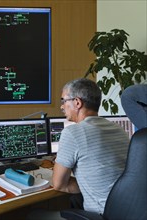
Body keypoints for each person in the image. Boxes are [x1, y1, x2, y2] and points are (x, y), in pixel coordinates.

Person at [52, 78, 130, 214]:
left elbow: (58, 185)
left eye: (64, 101)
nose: (61, 106)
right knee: (74, 200)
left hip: (103, 213)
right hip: (128, 210)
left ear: (77, 102)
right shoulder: (119, 129)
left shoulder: (72, 132)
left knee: (34, 214)